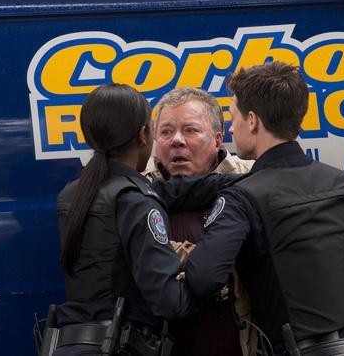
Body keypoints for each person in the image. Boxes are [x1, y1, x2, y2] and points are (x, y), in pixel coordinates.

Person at [181, 62, 344, 355]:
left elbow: (203, 278)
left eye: (233, 118)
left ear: (253, 121)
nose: (231, 128)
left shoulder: (242, 197)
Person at [50, 83, 232, 356]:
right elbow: (169, 301)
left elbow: (178, 192)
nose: (176, 140)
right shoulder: (136, 200)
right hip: (119, 345)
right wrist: (206, 280)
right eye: (163, 131)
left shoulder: (73, 194)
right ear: (143, 135)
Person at [143, 87, 253, 356]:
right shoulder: (137, 189)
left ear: (217, 140)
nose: (177, 140)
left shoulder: (253, 179)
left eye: (190, 130)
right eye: (166, 132)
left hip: (242, 340)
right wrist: (204, 261)